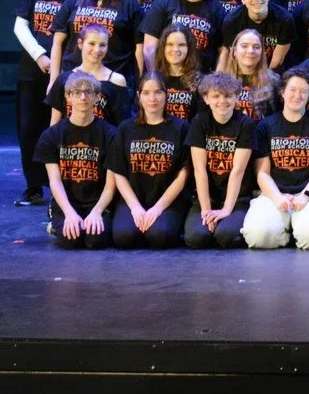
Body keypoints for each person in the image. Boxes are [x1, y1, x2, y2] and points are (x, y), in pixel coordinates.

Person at [14, 0, 78, 206]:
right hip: (33, 71)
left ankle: (67, 187)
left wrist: (60, 65)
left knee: (64, 130)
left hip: (68, 72)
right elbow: (20, 26)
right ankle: (34, 187)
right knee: (29, 128)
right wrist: (40, 55)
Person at [243, 69, 309, 250]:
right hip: (274, 192)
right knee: (258, 237)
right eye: (292, 90)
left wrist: (305, 196)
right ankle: (286, 233)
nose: (297, 95)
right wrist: (277, 197)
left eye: (303, 91)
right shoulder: (266, 125)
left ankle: (298, 228)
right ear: (282, 93)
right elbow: (262, 173)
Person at [34, 71, 119, 248]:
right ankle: (55, 222)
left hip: (98, 202)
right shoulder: (51, 135)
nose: (83, 97)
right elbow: (55, 181)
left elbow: (111, 184)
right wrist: (69, 213)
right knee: (71, 240)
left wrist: (97, 212)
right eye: (76, 92)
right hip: (67, 202)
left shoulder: (111, 134)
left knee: (95, 240)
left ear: (97, 97)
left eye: (88, 92)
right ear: (67, 97)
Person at [110, 71, 191, 249]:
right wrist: (135, 208)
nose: (152, 98)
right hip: (134, 198)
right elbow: (119, 173)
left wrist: (158, 208)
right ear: (138, 96)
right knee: (123, 237)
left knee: (159, 236)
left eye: (158, 92)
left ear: (166, 94)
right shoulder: (125, 128)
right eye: (146, 93)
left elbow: (182, 176)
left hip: (168, 202)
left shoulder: (181, 127)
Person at [48, 0, 143, 87]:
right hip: (73, 80)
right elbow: (57, 42)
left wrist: (140, 84)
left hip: (113, 81)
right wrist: (53, 81)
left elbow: (139, 49)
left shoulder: (129, 3)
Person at [183, 71, 256, 249]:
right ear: (206, 99)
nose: (222, 101)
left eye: (228, 95)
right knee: (196, 238)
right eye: (216, 96)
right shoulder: (199, 122)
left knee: (225, 236)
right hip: (207, 197)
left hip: (237, 199)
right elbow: (199, 170)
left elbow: (238, 170)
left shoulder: (245, 124)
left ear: (237, 98)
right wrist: (206, 209)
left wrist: (227, 210)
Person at [141, 0, 223, 71]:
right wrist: (155, 77)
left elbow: (222, 51)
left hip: (203, 77)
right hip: (166, 75)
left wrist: (216, 78)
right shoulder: (163, 2)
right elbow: (150, 48)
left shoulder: (216, 8)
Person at [45, 24, 129, 126]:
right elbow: (54, 123)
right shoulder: (64, 79)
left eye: (102, 45)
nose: (97, 50)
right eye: (92, 44)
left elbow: (122, 125)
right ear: (80, 44)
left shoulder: (117, 80)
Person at [218, 0, 293, 71]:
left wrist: (264, 79)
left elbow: (278, 60)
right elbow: (230, 55)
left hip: (273, 72)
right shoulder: (232, 21)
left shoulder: (284, 19)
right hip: (241, 69)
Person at [219, 28, 279, 122]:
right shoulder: (220, 81)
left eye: (256, 47)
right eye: (244, 46)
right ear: (234, 51)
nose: (251, 51)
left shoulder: (274, 81)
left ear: (262, 52)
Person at [154, 24, 202, 123]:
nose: (175, 49)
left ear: (189, 48)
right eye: (170, 44)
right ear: (163, 47)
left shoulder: (200, 81)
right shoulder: (154, 80)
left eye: (181, 45)